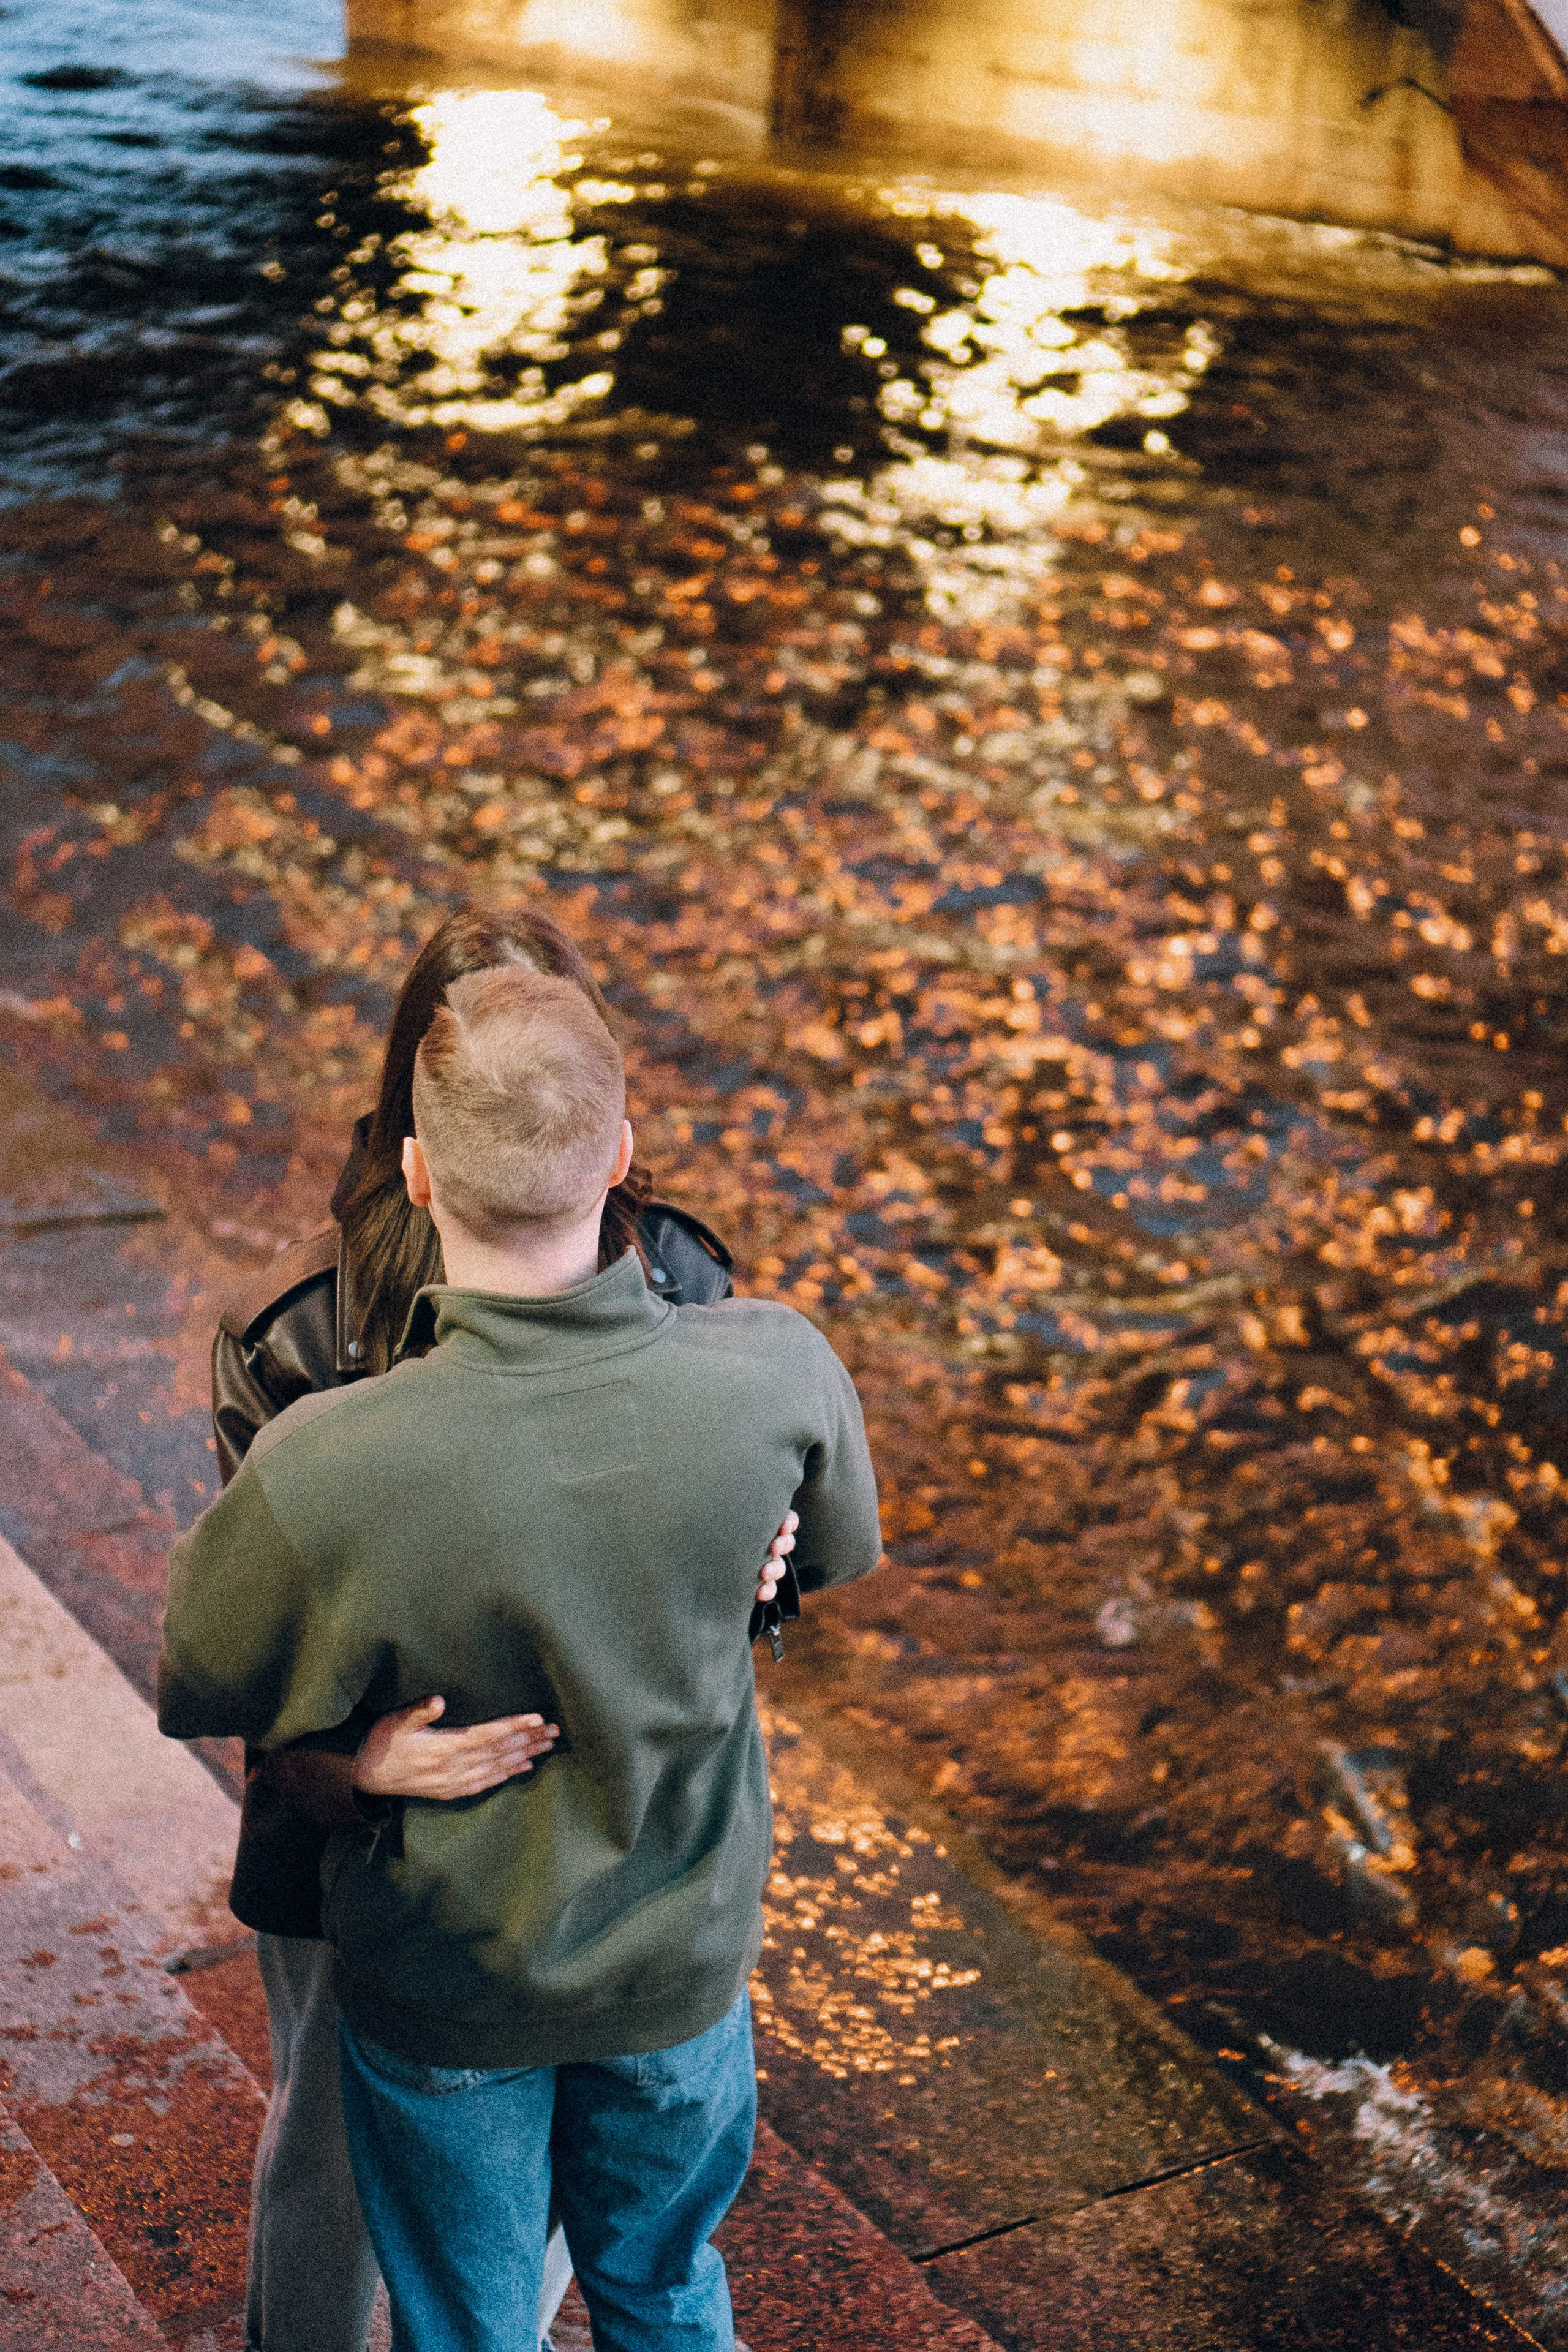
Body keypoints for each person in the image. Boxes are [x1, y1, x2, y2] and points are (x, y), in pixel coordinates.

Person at [160, 963, 881, 2352]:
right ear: (618, 1160)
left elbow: (205, 1672)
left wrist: (353, 1760)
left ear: (418, 1177)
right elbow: (818, 1559)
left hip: (447, 1972)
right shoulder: (779, 1371)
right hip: (677, 1956)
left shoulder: (332, 1459)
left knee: (470, 2324)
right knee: (666, 2288)